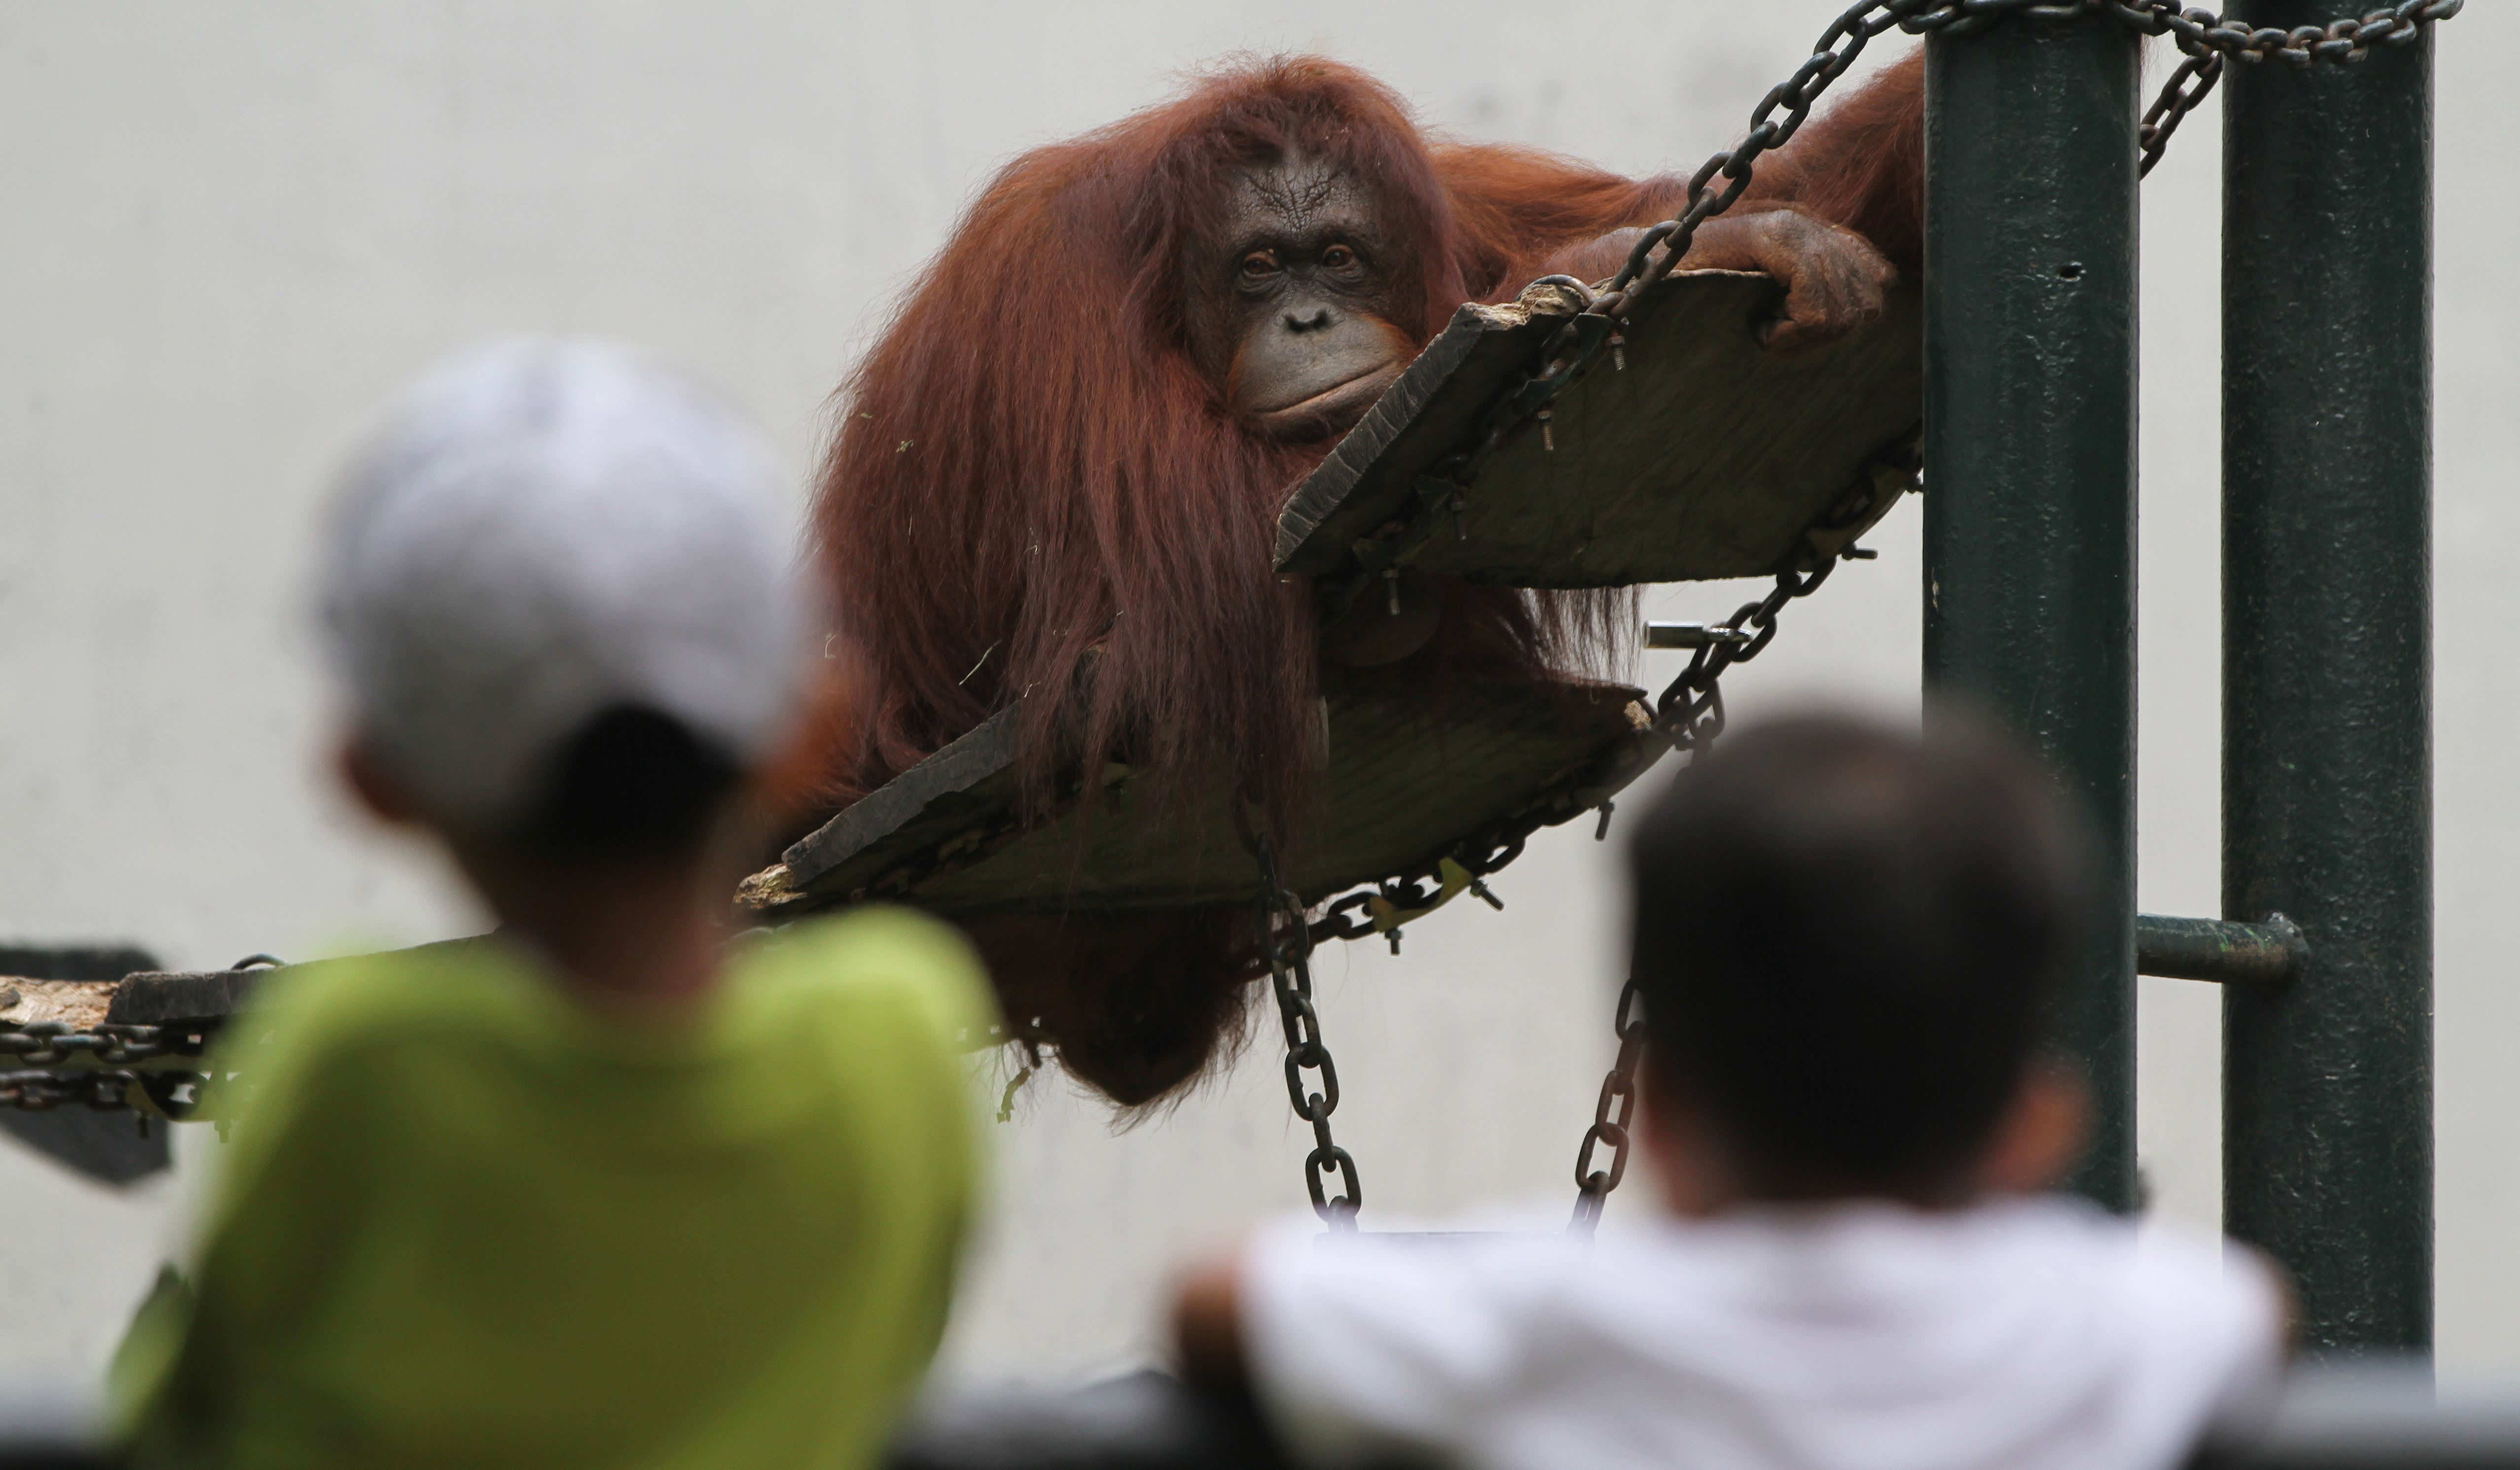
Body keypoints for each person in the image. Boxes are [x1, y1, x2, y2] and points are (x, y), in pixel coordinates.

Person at [116, 341, 997, 1470]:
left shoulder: (359, 1061)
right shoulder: (901, 1034)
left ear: (372, 781)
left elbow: (184, 1415)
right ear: (807, 730)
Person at [1171, 713, 2287, 1470]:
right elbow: (2257, 1309)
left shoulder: (1562, 1321)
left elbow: (1216, 1295)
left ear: (1653, 1117)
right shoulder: (2116, 1327)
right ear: (2039, 1128)